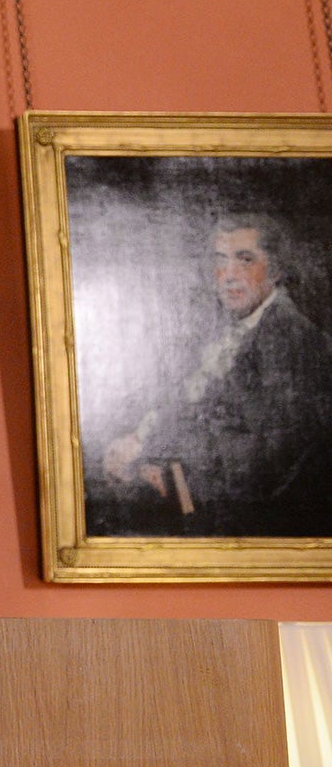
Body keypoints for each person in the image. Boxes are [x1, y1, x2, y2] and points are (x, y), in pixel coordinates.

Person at [100, 215, 332, 537]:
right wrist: (139, 440)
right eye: (220, 262)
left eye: (245, 260)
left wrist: (161, 460)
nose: (229, 276)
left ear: (276, 271)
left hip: (249, 526)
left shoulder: (291, 338)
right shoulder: (225, 328)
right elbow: (185, 404)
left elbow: (263, 464)